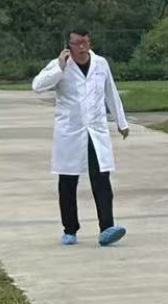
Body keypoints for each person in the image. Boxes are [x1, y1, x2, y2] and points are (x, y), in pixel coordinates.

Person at [32, 28, 129, 247]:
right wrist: (59, 67)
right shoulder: (60, 65)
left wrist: (121, 122)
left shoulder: (101, 64)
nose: (82, 47)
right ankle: (70, 229)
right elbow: (37, 86)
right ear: (69, 45)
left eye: (85, 42)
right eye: (77, 43)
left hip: (95, 130)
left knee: (101, 178)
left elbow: (111, 92)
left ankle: (107, 228)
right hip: (70, 131)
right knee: (68, 180)